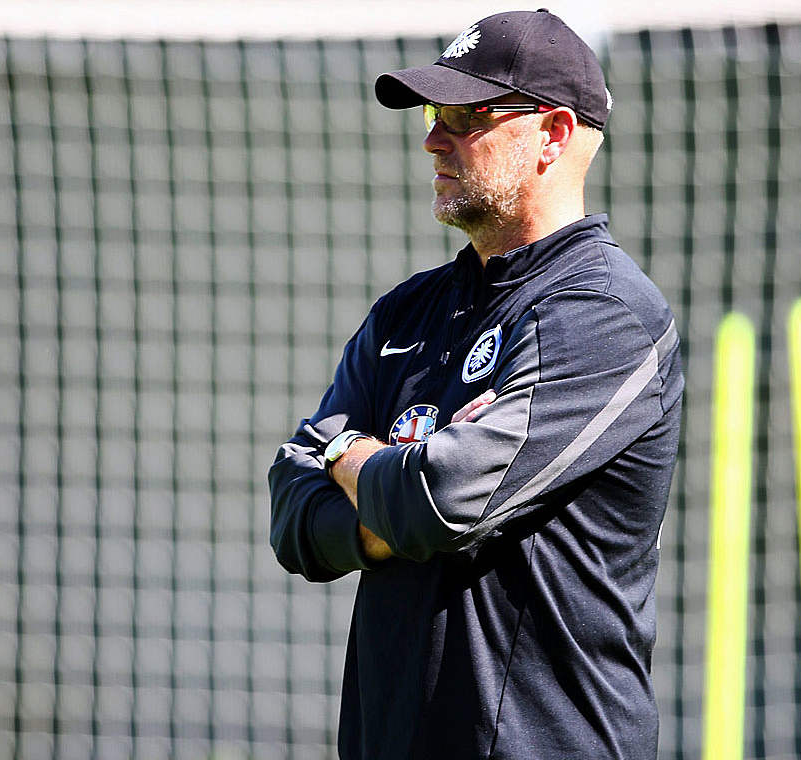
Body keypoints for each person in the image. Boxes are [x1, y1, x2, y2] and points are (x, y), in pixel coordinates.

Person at [267, 9, 683, 759]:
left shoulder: (607, 314)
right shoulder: (405, 310)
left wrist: (349, 457)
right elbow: (293, 518)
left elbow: (437, 501)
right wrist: (378, 493)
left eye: (467, 116)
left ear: (553, 135)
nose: (433, 138)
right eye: (434, 114)